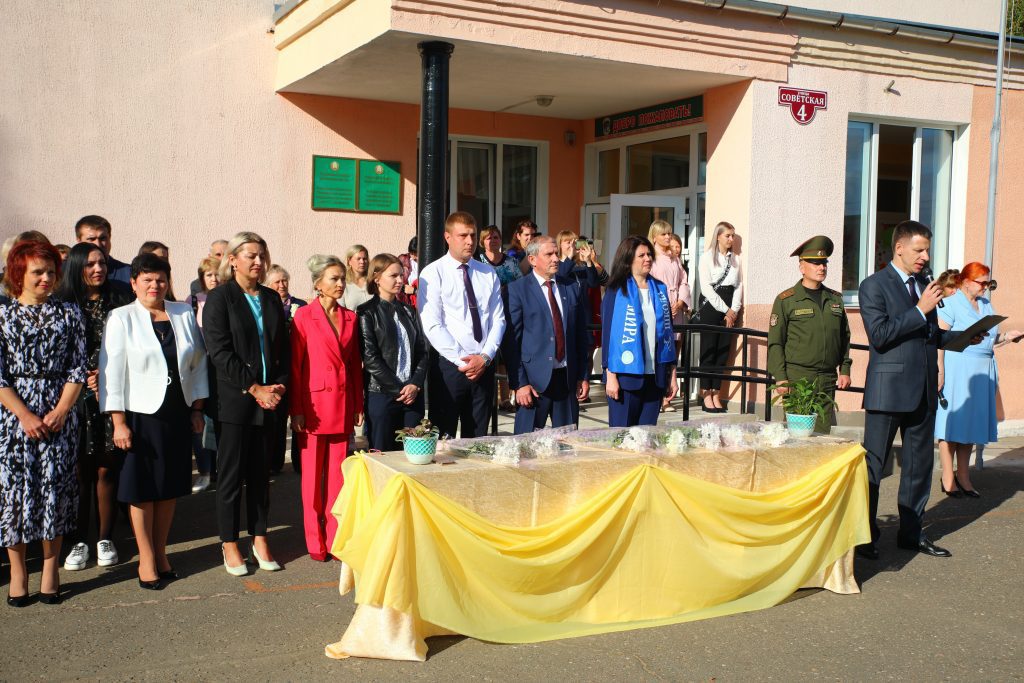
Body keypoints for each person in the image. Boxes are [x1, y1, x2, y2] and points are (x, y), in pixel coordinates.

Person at [858, 220, 980, 561]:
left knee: (918, 468)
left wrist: (961, 339)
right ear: (899, 248)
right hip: (888, 391)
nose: (925, 256)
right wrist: (920, 309)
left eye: (927, 249)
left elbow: (928, 335)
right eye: (919, 250)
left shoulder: (924, 284)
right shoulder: (874, 286)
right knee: (873, 467)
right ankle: (865, 536)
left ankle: (911, 536)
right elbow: (880, 335)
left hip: (924, 390)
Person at [99, 253, 209, 589]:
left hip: (177, 411)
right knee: (142, 489)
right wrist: (118, 422)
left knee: (169, 487)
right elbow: (111, 373)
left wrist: (197, 409)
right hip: (139, 415)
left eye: (160, 279)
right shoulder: (122, 318)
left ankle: (162, 553)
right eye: (146, 279)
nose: (154, 285)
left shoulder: (181, 313)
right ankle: (146, 559)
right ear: (134, 283)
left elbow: (199, 364)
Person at [0, 240, 87, 606]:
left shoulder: (70, 313)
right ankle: (19, 574)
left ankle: (50, 570)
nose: (47, 278)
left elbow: (78, 366)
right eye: (39, 271)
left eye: (52, 271)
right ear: (19, 274)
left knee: (55, 491)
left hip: (58, 415)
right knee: (15, 496)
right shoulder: (2, 317)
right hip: (12, 417)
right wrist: (24, 414)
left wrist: (63, 409)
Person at [202, 232, 288, 575]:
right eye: (251, 255)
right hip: (236, 401)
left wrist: (279, 385)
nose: (258, 262)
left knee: (261, 474)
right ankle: (229, 542)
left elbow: (281, 347)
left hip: (270, 401)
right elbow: (220, 352)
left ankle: (260, 537)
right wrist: (254, 388)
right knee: (231, 476)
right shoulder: (220, 299)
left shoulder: (269, 298)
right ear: (232, 259)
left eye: (261, 256)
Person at [54, 243, 133, 572]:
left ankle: (104, 538)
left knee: (105, 468)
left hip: (110, 396)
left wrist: (107, 374)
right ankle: (78, 542)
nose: (98, 269)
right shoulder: (61, 304)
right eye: (89, 264)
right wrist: (77, 377)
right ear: (76, 267)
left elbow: (130, 346)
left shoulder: (119, 299)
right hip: (71, 399)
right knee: (78, 474)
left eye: (101, 263)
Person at [289, 254, 363, 561]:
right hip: (315, 407)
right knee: (311, 482)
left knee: (337, 479)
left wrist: (359, 403)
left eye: (342, 278)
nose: (340, 283)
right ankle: (314, 541)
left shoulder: (350, 317)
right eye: (334, 278)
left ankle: (335, 538)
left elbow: (356, 366)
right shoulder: (304, 316)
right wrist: (297, 410)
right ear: (318, 284)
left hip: (343, 404)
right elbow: (296, 367)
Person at [935, 262, 1022, 498]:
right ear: (965, 281)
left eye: (988, 283)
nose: (985, 287)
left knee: (970, 426)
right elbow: (939, 341)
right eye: (982, 282)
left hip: (982, 368)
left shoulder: (985, 304)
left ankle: (964, 476)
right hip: (957, 367)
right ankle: (948, 476)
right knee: (952, 423)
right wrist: (939, 370)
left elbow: (987, 340)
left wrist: (1006, 337)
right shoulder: (950, 304)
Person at [418, 211, 506, 439]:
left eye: (473, 235)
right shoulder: (434, 272)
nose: (470, 241)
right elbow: (432, 324)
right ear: (448, 237)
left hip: (483, 366)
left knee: (477, 438)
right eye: (463, 236)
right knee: (443, 438)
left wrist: (485, 357)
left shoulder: (488, 273)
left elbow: (498, 319)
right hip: (451, 367)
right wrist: (463, 361)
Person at [767, 236, 852, 431]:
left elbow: (844, 338)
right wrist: (780, 377)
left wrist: (845, 369)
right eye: (815, 263)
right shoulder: (786, 300)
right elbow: (776, 342)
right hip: (798, 379)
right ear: (802, 267)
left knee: (822, 434)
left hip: (828, 379)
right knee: (799, 436)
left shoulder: (835, 299)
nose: (821, 267)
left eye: (824, 263)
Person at [507, 237, 589, 434]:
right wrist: (520, 383)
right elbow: (512, 342)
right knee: (526, 447)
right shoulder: (517, 290)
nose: (556, 259)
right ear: (533, 259)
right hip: (534, 384)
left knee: (567, 444)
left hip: (566, 380)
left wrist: (583, 376)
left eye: (556, 253)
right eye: (549, 254)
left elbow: (580, 336)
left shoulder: (570, 287)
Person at [602, 236, 678, 428]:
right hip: (626, 376)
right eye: (641, 255)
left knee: (646, 438)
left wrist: (673, 376)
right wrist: (610, 377)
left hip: (655, 376)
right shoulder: (616, 290)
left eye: (649, 254)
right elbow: (608, 335)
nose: (648, 259)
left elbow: (668, 335)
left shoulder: (660, 289)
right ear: (628, 260)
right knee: (622, 437)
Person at [357, 254, 428, 452]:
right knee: (382, 453)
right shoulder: (366, 312)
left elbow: (422, 351)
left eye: (401, 275)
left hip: (412, 395)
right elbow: (370, 358)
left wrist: (414, 383)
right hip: (382, 394)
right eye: (394, 275)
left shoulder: (408, 311)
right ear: (377, 278)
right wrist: (398, 389)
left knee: (413, 453)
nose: (400, 280)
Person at [696, 221, 743, 412]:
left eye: (733, 236)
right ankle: (706, 393)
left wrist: (735, 309)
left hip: (730, 304)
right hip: (712, 305)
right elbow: (706, 287)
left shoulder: (736, 260)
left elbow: (739, 285)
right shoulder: (707, 257)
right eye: (728, 236)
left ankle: (716, 392)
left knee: (723, 351)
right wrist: (726, 310)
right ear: (718, 236)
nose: (731, 239)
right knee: (709, 349)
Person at [265, 264, 307, 474]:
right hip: (277, 369)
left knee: (300, 417)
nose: (282, 285)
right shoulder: (265, 305)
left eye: (284, 280)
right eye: (277, 281)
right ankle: (275, 462)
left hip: (298, 366)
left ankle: (301, 462)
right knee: (278, 419)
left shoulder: (300, 305)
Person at [556, 231, 607, 395]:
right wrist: (569, 258)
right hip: (566, 317)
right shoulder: (557, 263)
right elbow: (560, 277)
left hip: (584, 317)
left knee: (585, 354)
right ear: (560, 245)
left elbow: (593, 283)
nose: (571, 245)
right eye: (567, 242)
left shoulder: (582, 266)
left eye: (574, 242)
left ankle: (583, 387)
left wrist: (589, 262)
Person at [648, 220, 691, 412]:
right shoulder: (651, 257)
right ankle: (656, 396)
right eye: (664, 234)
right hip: (660, 307)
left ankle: (668, 394)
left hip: (676, 306)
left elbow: (684, 281)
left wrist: (681, 301)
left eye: (669, 234)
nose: (668, 237)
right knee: (658, 351)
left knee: (673, 350)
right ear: (655, 236)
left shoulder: (674, 258)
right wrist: (664, 304)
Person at [478, 225, 521, 411]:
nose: (493, 240)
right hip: (485, 316)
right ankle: (491, 399)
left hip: (509, 313)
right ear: (482, 242)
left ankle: (505, 398)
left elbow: (521, 286)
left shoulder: (511, 262)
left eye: (496, 237)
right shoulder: (477, 262)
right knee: (489, 356)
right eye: (489, 238)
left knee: (506, 358)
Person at [189, 256, 221, 492]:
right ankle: (205, 471)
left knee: (219, 419)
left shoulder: (229, 298)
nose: (214, 278)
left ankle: (220, 468)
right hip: (201, 365)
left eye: (217, 274)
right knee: (200, 419)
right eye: (209, 275)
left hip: (221, 367)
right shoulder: (192, 302)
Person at [75, 215, 131, 284]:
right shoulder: (63, 273)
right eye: (91, 239)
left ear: (109, 238)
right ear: (79, 241)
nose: (98, 244)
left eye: (103, 238)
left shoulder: (128, 274)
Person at [341, 244, 372, 311]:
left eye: (364, 259)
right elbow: (340, 310)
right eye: (358, 259)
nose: (362, 262)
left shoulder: (372, 280)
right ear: (349, 261)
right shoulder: (343, 283)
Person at [397, 236, 418, 307]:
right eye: (411, 253)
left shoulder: (429, 262)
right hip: (405, 304)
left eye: (416, 254)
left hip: (421, 303)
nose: (413, 257)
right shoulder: (403, 259)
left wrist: (414, 291)